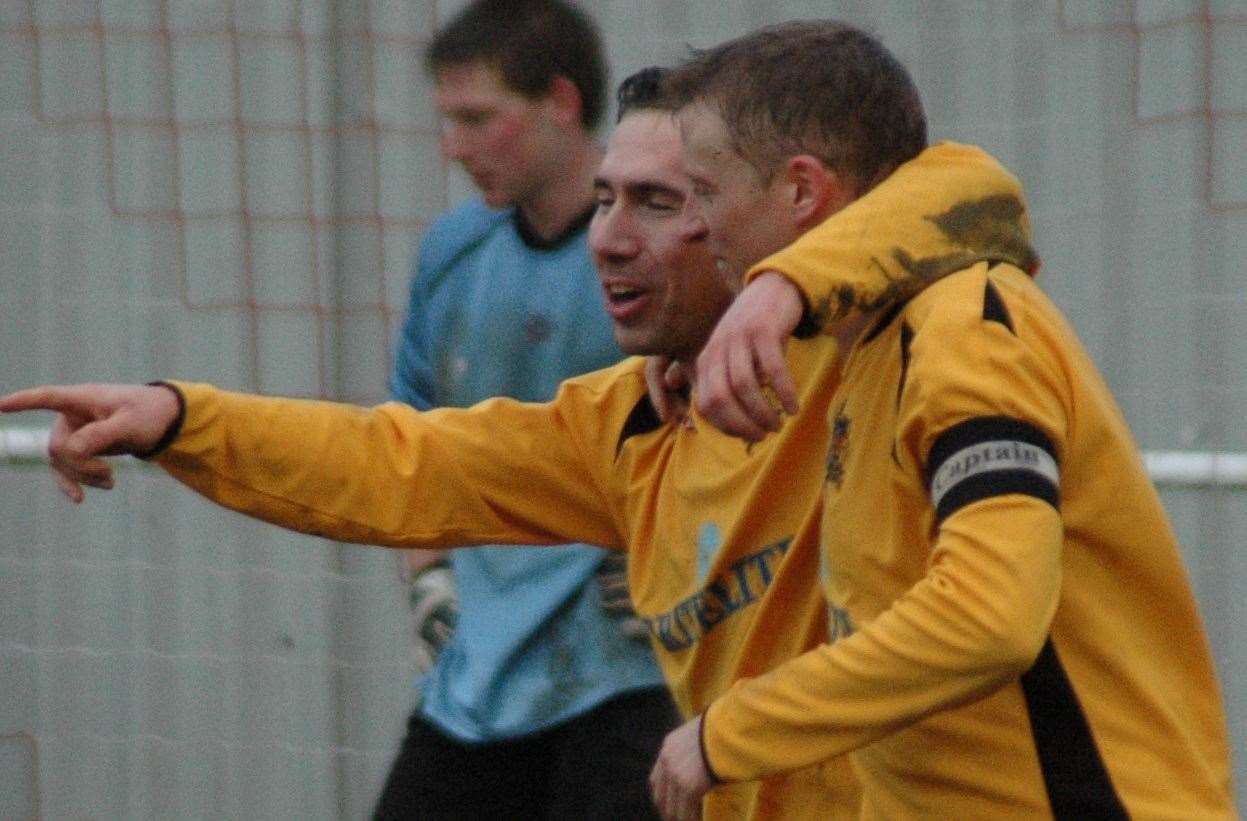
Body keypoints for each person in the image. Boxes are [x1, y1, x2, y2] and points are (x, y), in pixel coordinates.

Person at [0, 72, 1031, 821]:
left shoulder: (899, 343)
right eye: (604, 199)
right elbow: (400, 462)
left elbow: (959, 184)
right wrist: (182, 417)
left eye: (664, 203)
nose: (608, 236)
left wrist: (788, 287)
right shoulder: (625, 422)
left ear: (764, 211)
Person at [643, 21, 1237, 819]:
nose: (691, 227)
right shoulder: (865, 347)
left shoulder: (962, 329)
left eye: (705, 193)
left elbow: (987, 618)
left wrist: (731, 730)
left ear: (800, 190)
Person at [376, 2, 676, 818]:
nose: (455, 147)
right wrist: (429, 579)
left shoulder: (663, 254)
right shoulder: (452, 254)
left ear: (562, 101)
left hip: (628, 672)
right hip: (477, 676)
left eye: (478, 119)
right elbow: (411, 439)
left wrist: (682, 554)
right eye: (448, 121)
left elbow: (733, 430)